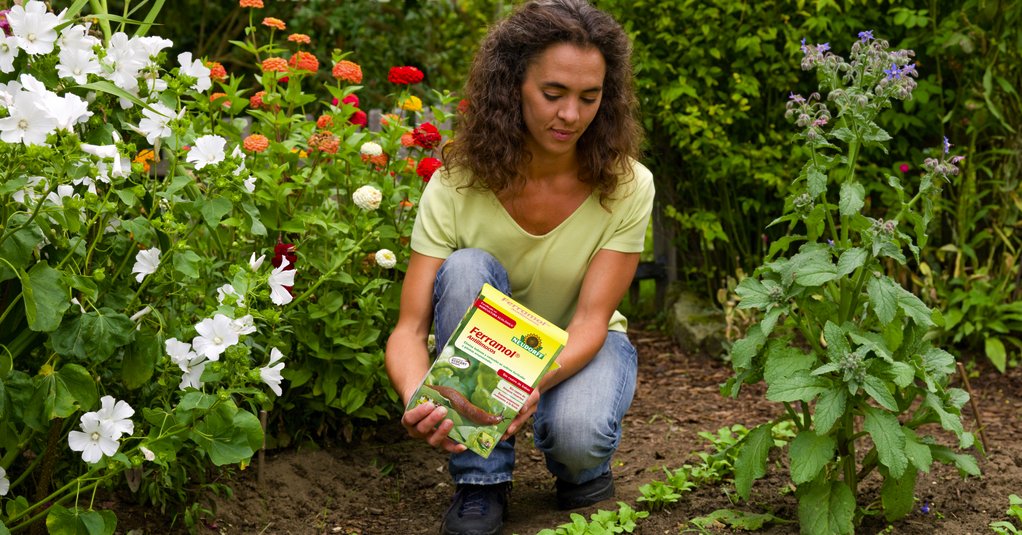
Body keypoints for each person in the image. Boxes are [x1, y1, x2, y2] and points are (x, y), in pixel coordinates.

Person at [384, 1, 654, 533]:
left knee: (578, 437)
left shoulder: (628, 185)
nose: (571, 115)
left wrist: (531, 384)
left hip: (578, 345)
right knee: (465, 267)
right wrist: (421, 400)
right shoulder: (456, 184)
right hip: (486, 353)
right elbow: (410, 328)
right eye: (552, 94)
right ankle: (479, 483)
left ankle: (581, 467)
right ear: (513, 86)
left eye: (589, 97)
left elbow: (591, 321)